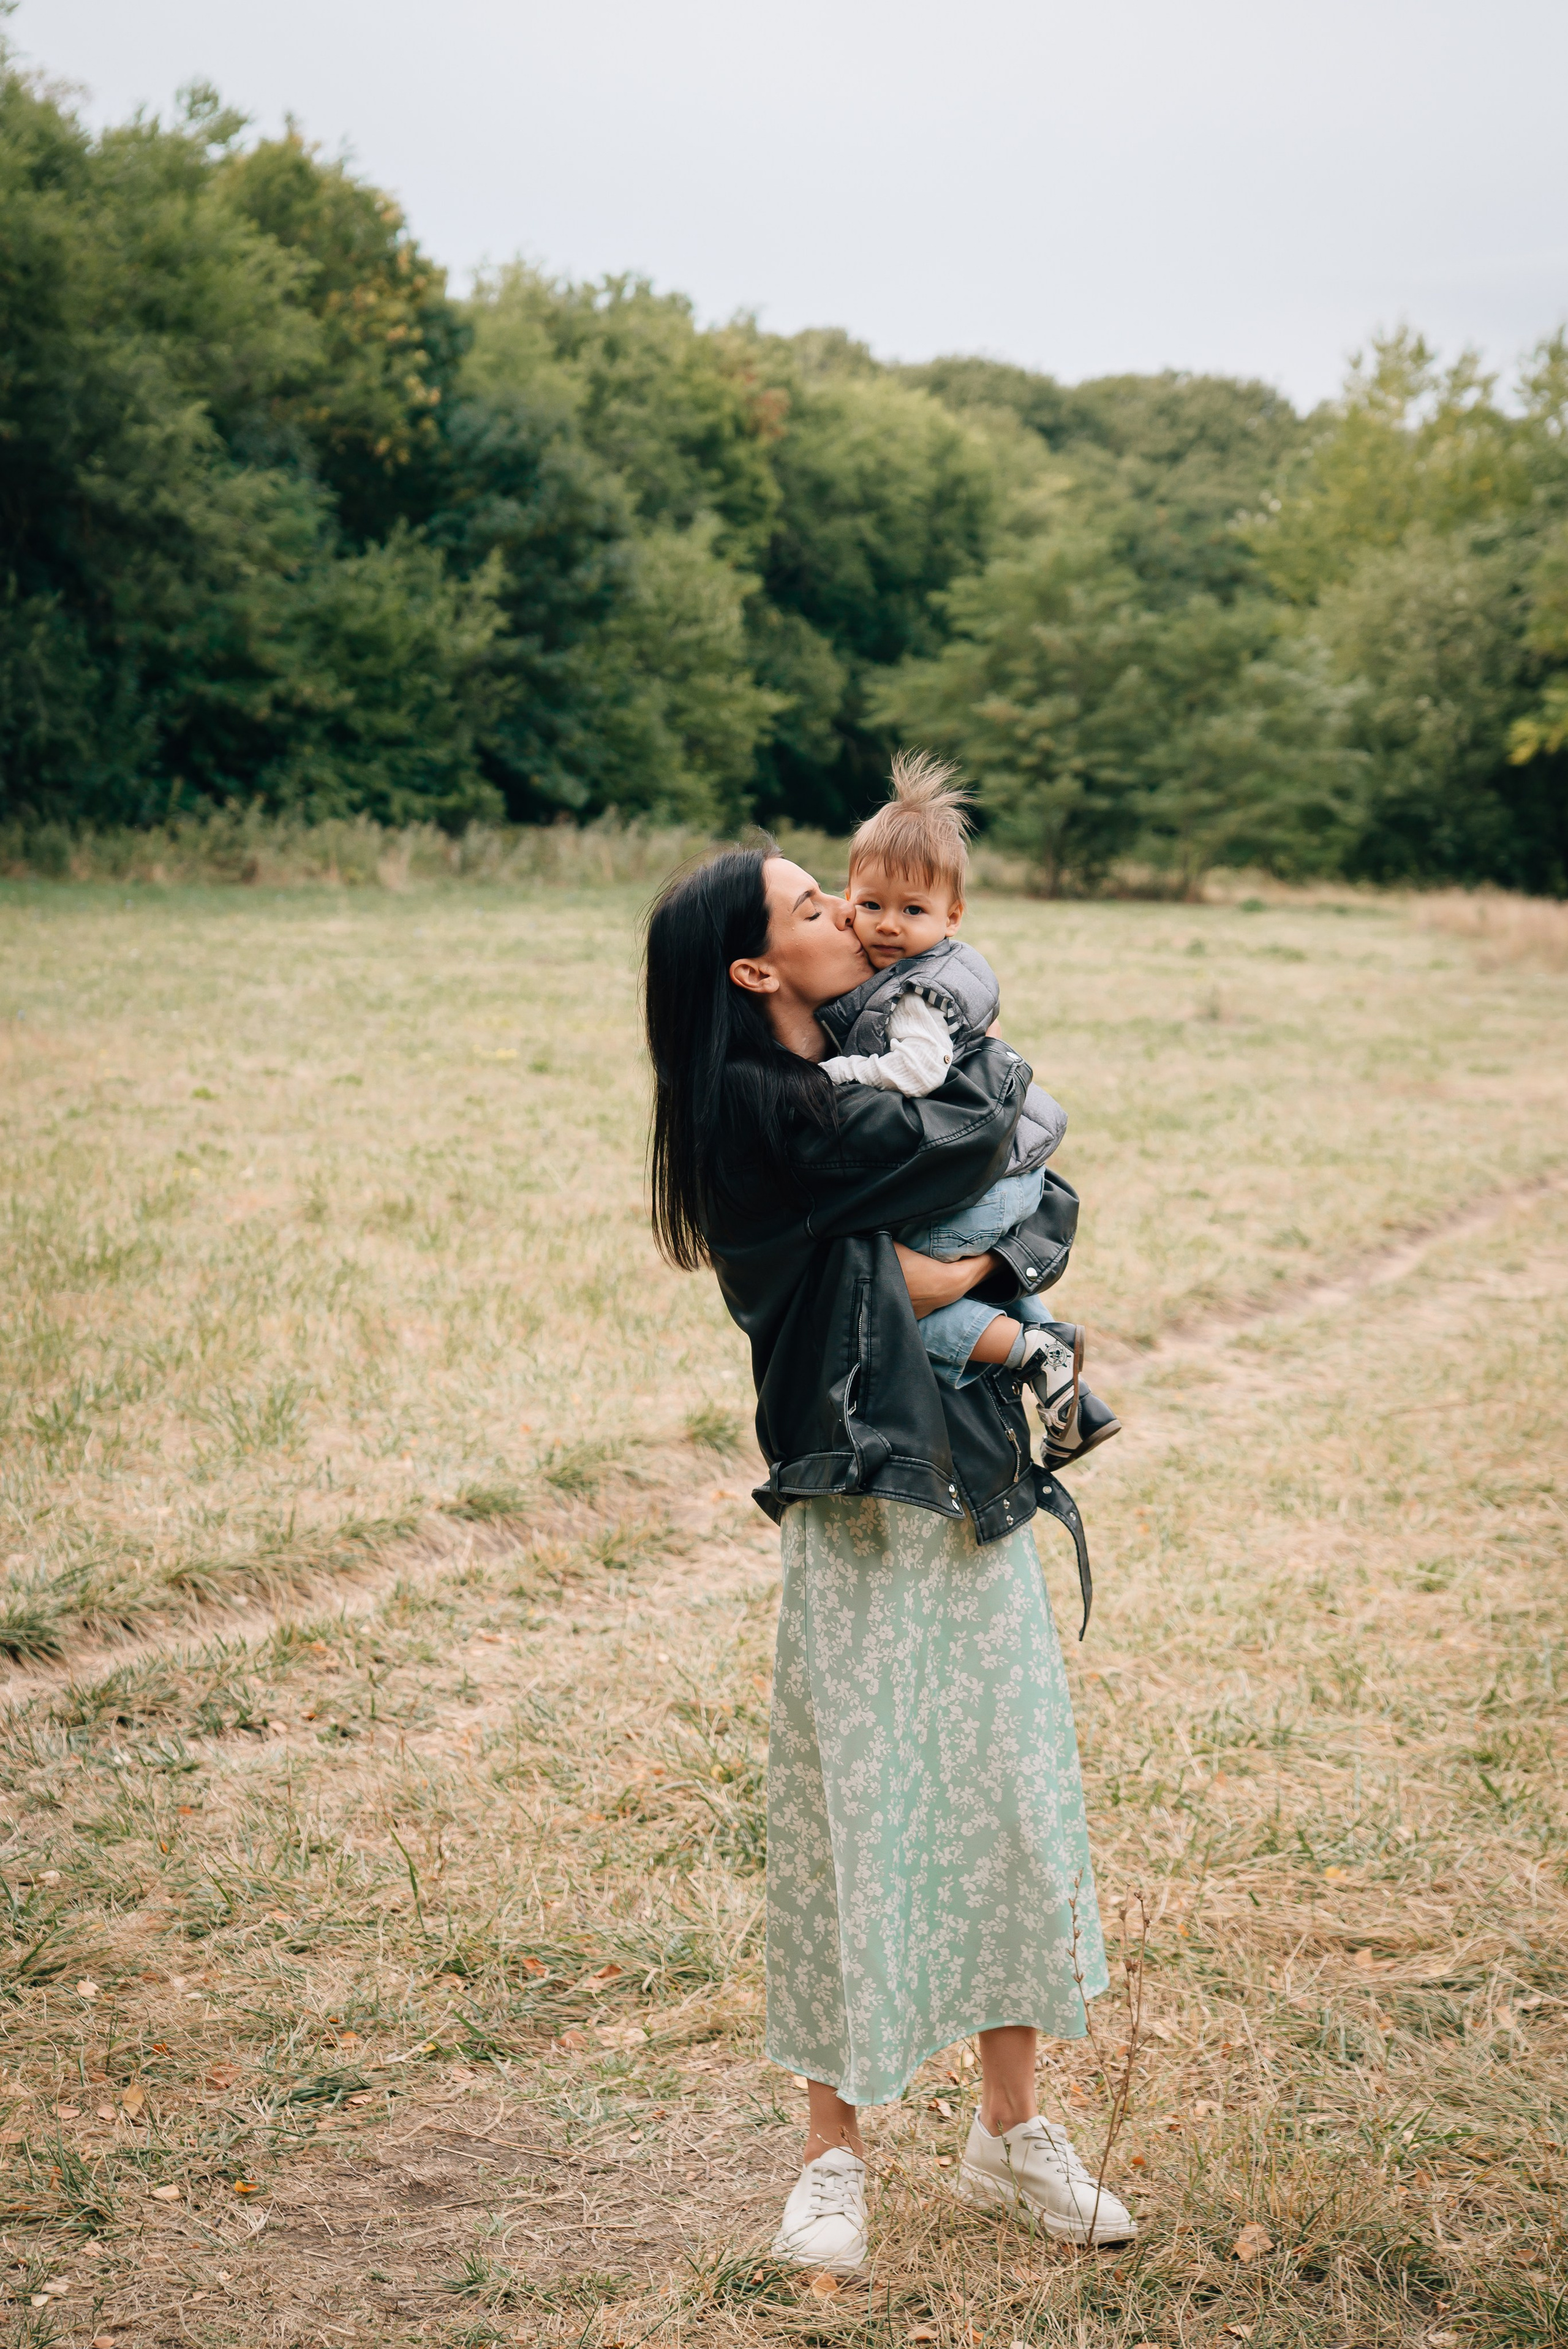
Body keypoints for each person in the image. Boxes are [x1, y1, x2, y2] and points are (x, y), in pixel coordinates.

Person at [643, 840, 1134, 2272]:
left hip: (966, 1475)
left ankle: (1008, 2134)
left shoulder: (876, 1054)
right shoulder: (756, 1115)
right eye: (811, 907)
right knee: (853, 1818)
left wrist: (975, 1248)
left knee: (1002, 1794)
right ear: (755, 968)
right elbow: (974, 1173)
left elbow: (1014, 1183)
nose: (849, 919)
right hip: (860, 1497)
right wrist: (993, 1258)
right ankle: (830, 2156)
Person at [816, 751, 1121, 1470]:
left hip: (991, 1181)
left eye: (913, 910)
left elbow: (917, 1072)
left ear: (951, 915)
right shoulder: (940, 965)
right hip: (1007, 1169)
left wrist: (838, 1071)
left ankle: (1034, 1350)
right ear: (847, 898)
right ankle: (1070, 1385)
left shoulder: (916, 994)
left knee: (895, 1311)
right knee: (957, 1291)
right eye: (871, 905)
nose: (888, 926)